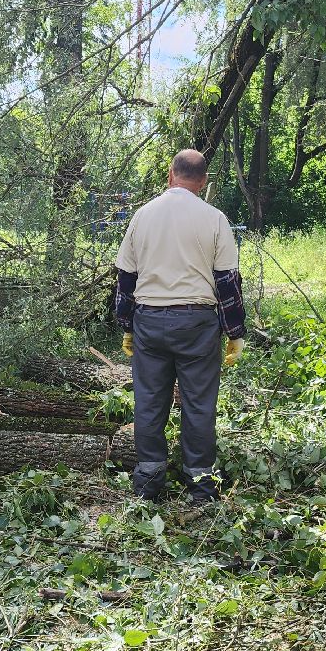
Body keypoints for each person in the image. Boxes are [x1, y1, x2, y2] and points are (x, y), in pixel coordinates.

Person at [114, 149, 247, 504]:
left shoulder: (142, 216)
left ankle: (148, 481)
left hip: (150, 320)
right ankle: (201, 485)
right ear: (202, 182)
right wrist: (235, 333)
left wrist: (127, 325)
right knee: (199, 404)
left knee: (149, 402)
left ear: (170, 175)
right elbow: (227, 281)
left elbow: (126, 278)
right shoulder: (215, 218)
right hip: (197, 323)